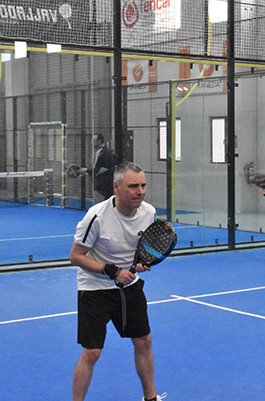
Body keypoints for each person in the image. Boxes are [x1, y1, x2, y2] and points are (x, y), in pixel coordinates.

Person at [70, 162, 166, 401]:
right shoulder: (96, 216)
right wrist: (113, 271)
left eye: (143, 185)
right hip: (95, 288)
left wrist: (142, 263)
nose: (140, 191)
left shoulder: (149, 213)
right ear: (116, 187)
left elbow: (143, 249)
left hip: (129, 287)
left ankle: (151, 398)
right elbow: (76, 257)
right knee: (92, 352)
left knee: (143, 341)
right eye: (133, 186)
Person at [79, 133, 116, 203]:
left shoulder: (106, 153)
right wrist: (89, 172)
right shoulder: (99, 152)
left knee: (99, 207)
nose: (92, 143)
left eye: (94, 140)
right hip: (101, 186)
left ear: (100, 141)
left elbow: (101, 169)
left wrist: (87, 170)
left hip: (103, 188)